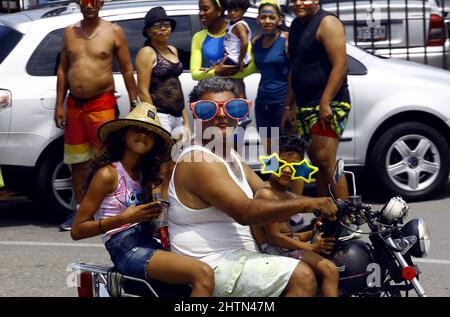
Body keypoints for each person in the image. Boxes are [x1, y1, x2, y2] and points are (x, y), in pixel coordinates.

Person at [167, 77, 338, 297]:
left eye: (232, 108)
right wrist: (308, 203)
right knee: (302, 276)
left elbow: (269, 193)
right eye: (208, 109)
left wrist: (325, 204)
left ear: (240, 115)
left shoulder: (231, 156)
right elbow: (246, 212)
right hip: (213, 263)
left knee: (326, 267)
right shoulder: (199, 160)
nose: (221, 115)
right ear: (196, 116)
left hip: (240, 258)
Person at [70, 102, 215, 297]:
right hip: (125, 247)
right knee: (202, 274)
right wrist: (124, 218)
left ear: (155, 141)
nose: (143, 134)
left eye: (150, 132)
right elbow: (77, 230)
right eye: (136, 128)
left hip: (147, 241)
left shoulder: (143, 174)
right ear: (124, 134)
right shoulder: (108, 174)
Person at [54, 0, 138, 231]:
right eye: (84, 0)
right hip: (74, 106)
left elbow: (127, 68)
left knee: (107, 159)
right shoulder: (70, 32)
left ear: (101, 3)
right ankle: (80, 209)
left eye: (94, 0)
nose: (89, 4)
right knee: (77, 161)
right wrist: (58, 105)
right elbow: (62, 69)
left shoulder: (113, 31)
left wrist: (134, 101)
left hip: (102, 104)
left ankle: (113, 208)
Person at [251, 134, 339, 297]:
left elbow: (286, 234)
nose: (286, 170)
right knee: (330, 269)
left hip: (284, 247)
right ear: (272, 162)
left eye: (293, 166)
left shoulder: (285, 194)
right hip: (274, 251)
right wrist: (311, 247)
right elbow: (274, 238)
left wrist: (311, 233)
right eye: (282, 164)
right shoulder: (267, 195)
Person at [281, 0, 350, 199]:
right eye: (294, 0)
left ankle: (346, 219)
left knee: (326, 161)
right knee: (317, 163)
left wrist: (325, 102)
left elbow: (341, 65)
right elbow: (295, 68)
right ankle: (326, 217)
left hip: (329, 104)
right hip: (304, 104)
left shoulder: (327, 22)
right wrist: (288, 106)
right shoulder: (295, 26)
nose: (298, 3)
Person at [136, 6, 191, 199]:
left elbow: (177, 86)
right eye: (157, 25)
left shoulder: (173, 50)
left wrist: (186, 121)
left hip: (177, 115)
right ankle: (157, 208)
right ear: (149, 31)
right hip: (160, 115)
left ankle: (170, 204)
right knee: (160, 165)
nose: (162, 28)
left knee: (174, 163)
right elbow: (142, 89)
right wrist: (154, 121)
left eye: (166, 24)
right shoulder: (146, 53)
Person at [252, 0, 289, 153]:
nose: (267, 21)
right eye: (263, 17)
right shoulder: (256, 43)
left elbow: (294, 73)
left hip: (281, 103)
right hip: (262, 104)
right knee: (269, 152)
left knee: (286, 151)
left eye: (272, 17)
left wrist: (289, 107)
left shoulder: (286, 40)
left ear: (279, 19)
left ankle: (286, 178)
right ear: (258, 20)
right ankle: (273, 177)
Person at [222, 0, 252, 97]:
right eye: (230, 10)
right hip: (231, 57)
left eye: (236, 10)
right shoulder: (231, 23)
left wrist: (240, 60)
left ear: (244, 11)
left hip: (235, 60)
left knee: (220, 73)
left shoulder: (239, 25)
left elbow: (245, 42)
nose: (232, 13)